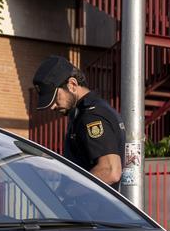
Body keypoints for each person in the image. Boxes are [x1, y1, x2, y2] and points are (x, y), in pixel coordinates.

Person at [32, 56, 124, 189]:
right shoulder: (84, 112)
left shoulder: (91, 116)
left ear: (72, 85)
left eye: (55, 98)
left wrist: (68, 193)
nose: (52, 106)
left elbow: (110, 171)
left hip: (92, 208)